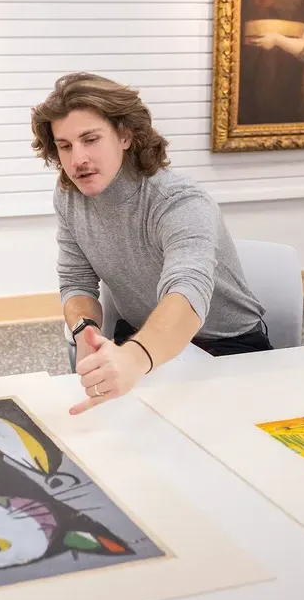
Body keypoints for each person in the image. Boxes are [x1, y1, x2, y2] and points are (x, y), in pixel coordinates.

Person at [29, 72, 270, 415]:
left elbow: (188, 291)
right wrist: (85, 330)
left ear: (125, 136)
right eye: (65, 146)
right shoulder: (69, 196)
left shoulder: (179, 200)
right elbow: (75, 281)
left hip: (227, 346)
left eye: (90, 139)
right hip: (141, 335)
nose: (76, 160)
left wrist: (134, 357)